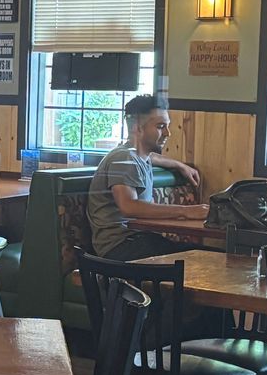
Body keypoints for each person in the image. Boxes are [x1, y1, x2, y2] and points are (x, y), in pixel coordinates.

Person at [86, 95, 207, 261]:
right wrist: (187, 212)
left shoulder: (136, 155)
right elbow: (129, 206)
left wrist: (180, 165)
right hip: (119, 249)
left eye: (167, 126)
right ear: (138, 128)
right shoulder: (124, 159)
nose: (168, 133)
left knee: (210, 256)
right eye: (160, 126)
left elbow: (151, 158)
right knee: (208, 259)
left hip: (138, 241)